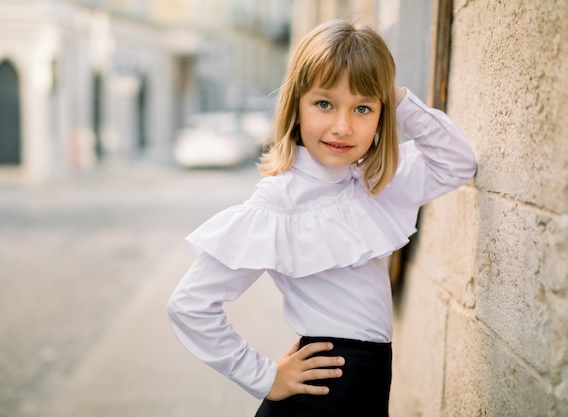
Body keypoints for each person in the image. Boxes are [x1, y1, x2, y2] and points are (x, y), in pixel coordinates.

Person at [167, 18, 476, 417]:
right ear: (296, 104)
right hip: (322, 395)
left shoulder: (377, 182)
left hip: (368, 386)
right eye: (324, 104)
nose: (342, 126)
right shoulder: (279, 201)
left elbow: (457, 163)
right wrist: (263, 376)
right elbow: (189, 305)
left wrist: (395, 97)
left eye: (362, 107)